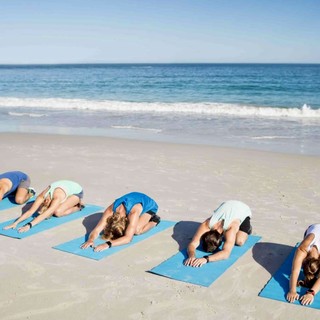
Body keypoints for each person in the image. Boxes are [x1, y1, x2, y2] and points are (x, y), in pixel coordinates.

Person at [81, 192, 160, 252]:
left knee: (137, 230)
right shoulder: (110, 210)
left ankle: (154, 220)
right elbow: (97, 230)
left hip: (150, 206)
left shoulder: (133, 213)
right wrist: (90, 240)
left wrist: (107, 244)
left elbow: (128, 238)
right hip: (134, 199)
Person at [184, 200, 252, 267]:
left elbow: (226, 253)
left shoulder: (230, 229)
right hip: (227, 204)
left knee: (239, 241)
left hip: (243, 209)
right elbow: (193, 244)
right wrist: (191, 256)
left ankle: (248, 228)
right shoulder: (206, 225)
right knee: (231, 238)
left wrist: (206, 259)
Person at [3, 180, 83, 233]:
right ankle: (69, 200)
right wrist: (15, 223)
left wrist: (29, 225)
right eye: (45, 204)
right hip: (66, 186)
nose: (45, 201)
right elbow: (30, 211)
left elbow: (44, 214)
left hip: (76, 192)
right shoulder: (42, 196)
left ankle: (78, 206)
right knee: (56, 209)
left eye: (45, 204)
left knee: (58, 212)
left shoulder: (57, 198)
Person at [287, 224, 320, 306]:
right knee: (297, 256)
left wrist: (311, 293)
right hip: (312, 228)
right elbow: (295, 271)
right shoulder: (302, 249)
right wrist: (292, 290)